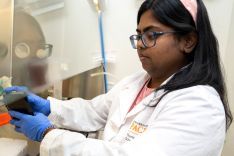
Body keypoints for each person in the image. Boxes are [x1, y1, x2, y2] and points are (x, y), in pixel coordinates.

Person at [4, 0, 232, 155]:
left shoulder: (200, 105)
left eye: (152, 35)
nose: (140, 45)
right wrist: (48, 107)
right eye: (139, 35)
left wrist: (48, 133)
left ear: (188, 41)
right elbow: (93, 111)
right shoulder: (136, 83)